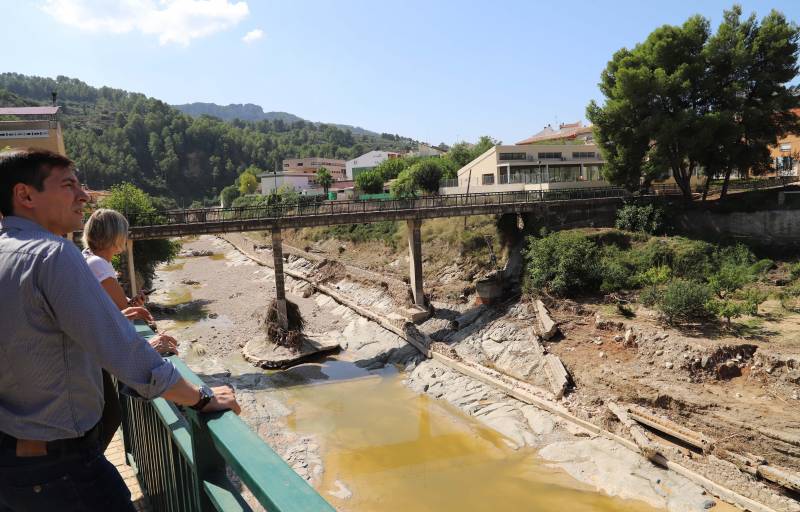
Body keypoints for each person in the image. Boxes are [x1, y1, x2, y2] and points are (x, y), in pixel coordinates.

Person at [0, 148, 241, 512]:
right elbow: (123, 350)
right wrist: (202, 398)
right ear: (26, 195)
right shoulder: (52, 254)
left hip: (13, 459)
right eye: (69, 186)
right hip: (60, 467)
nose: (84, 197)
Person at [81, 208, 179, 451]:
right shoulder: (100, 265)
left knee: (104, 415)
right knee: (111, 415)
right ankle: (88, 466)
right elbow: (120, 310)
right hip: (97, 352)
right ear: (115, 236)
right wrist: (131, 308)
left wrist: (130, 305)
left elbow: (114, 307)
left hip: (90, 350)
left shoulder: (86, 258)